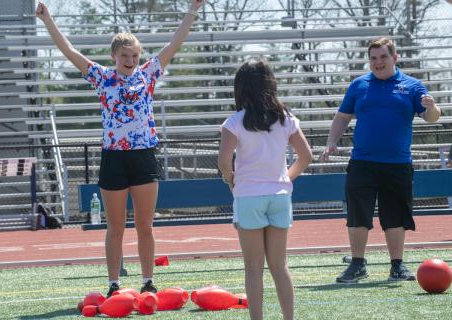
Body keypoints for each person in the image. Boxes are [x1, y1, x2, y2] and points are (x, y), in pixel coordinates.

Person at [36, 0, 205, 297]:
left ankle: (147, 280)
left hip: (143, 156)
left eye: (135, 55)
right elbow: (70, 52)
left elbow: (174, 43)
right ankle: (113, 283)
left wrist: (192, 10)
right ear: (114, 55)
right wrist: (48, 20)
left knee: (145, 225)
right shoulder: (102, 77)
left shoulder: (148, 74)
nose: (130, 59)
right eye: (125, 55)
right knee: (115, 227)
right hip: (114, 157)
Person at [320, 37, 441, 283]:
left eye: (383, 57)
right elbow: (342, 116)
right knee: (357, 215)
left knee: (395, 216)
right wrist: (331, 141)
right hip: (362, 163)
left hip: (397, 164)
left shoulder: (413, 86)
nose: (378, 62)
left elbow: (432, 119)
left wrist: (432, 107)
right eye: (373, 58)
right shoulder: (359, 85)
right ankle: (357, 265)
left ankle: (397, 265)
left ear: (395, 57)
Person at [218, 59, 312, 320]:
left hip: (248, 196)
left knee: (253, 268)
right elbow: (305, 156)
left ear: (241, 89)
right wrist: (286, 178)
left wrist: (230, 178)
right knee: (280, 267)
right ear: (270, 84)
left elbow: (224, 161)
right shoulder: (286, 118)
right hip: (279, 196)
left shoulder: (234, 121)